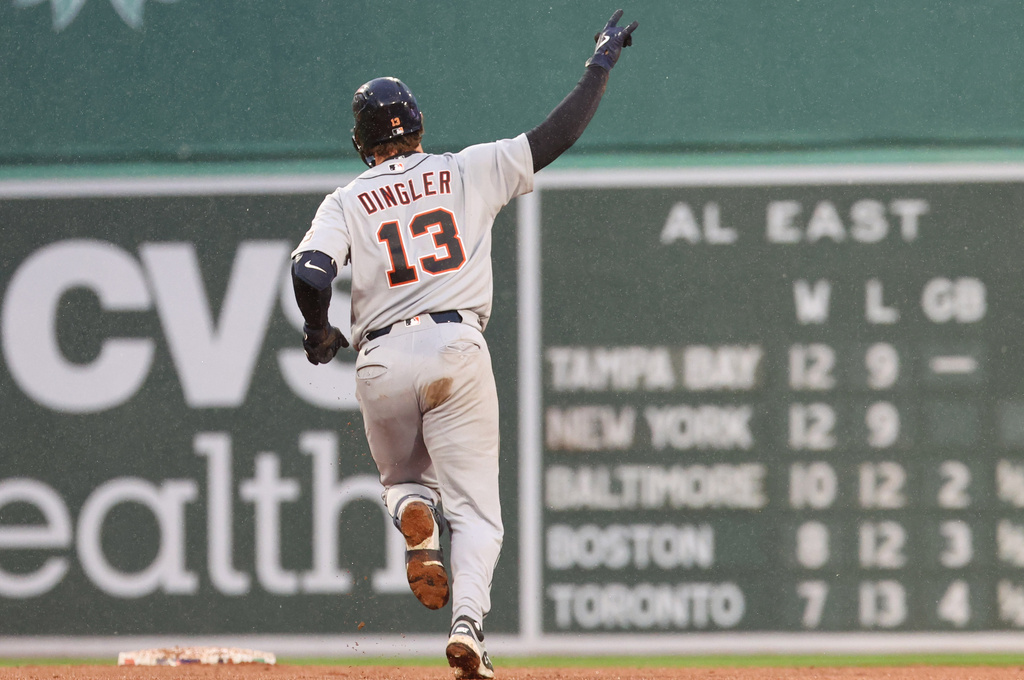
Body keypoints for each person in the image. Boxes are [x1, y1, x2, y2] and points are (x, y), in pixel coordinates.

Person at [289, 10, 637, 679]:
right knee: (477, 513)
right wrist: (599, 66)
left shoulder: (346, 200)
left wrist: (318, 331)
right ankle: (468, 630)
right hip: (454, 346)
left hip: (382, 355)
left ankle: (413, 509)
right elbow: (554, 136)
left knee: (400, 480)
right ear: (418, 127)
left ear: (362, 144)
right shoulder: (466, 169)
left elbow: (309, 273)